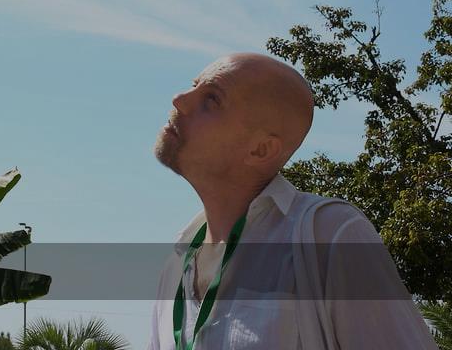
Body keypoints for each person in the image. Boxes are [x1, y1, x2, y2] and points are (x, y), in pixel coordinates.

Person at [147, 53, 437, 349]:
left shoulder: (330, 235)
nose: (179, 99)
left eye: (212, 99)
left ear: (261, 149)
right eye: (193, 85)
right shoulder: (176, 264)